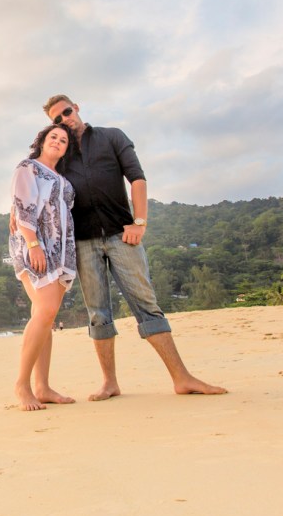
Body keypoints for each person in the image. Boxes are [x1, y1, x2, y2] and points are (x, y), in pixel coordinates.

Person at [43, 94, 227, 399]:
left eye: (66, 112)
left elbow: (137, 179)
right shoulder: (60, 155)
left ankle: (182, 378)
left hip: (122, 235)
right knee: (98, 313)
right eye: (56, 120)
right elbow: (37, 182)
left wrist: (139, 222)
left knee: (146, 305)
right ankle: (110, 383)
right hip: (83, 243)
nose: (63, 120)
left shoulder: (112, 137)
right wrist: (15, 214)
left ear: (76, 107)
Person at [9, 123, 79, 411]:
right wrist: (33, 243)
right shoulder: (29, 167)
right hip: (36, 246)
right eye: (54, 137)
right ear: (42, 141)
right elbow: (22, 204)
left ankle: (43, 386)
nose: (58, 142)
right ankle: (22, 385)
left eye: (63, 140)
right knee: (46, 311)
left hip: (61, 252)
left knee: (45, 315)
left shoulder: (63, 179)